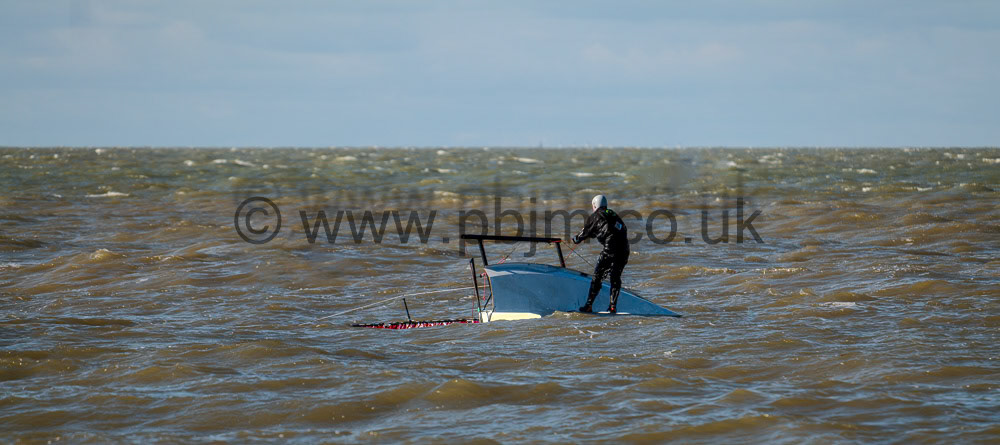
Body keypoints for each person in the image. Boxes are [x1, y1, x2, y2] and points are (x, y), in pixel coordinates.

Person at [572, 194, 629, 314]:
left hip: (610, 249)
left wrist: (576, 239)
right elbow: (619, 229)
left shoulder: (594, 216)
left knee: (597, 277)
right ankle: (613, 306)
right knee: (615, 277)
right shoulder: (613, 213)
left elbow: (584, 234)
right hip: (624, 250)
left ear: (594, 206)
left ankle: (588, 306)